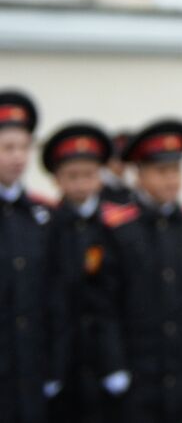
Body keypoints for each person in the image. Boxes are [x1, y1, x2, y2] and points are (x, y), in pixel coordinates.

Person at [91, 117, 182, 423]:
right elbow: (106, 305)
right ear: (139, 174)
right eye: (161, 171)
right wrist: (113, 365)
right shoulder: (119, 230)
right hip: (139, 376)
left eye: (176, 170)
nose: (171, 180)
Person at [43, 121, 115, 423]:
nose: (81, 184)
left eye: (88, 174)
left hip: (107, 357)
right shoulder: (46, 225)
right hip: (62, 357)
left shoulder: (115, 227)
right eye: (72, 176)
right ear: (57, 179)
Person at [0, 89, 65, 423]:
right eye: (8, 147)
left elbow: (55, 295)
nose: (18, 157)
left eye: (24, 147)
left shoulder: (43, 216)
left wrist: (54, 363)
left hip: (32, 370)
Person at [99, 131, 134, 205]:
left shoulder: (135, 185)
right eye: (116, 159)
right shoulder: (98, 185)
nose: (120, 163)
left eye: (124, 159)